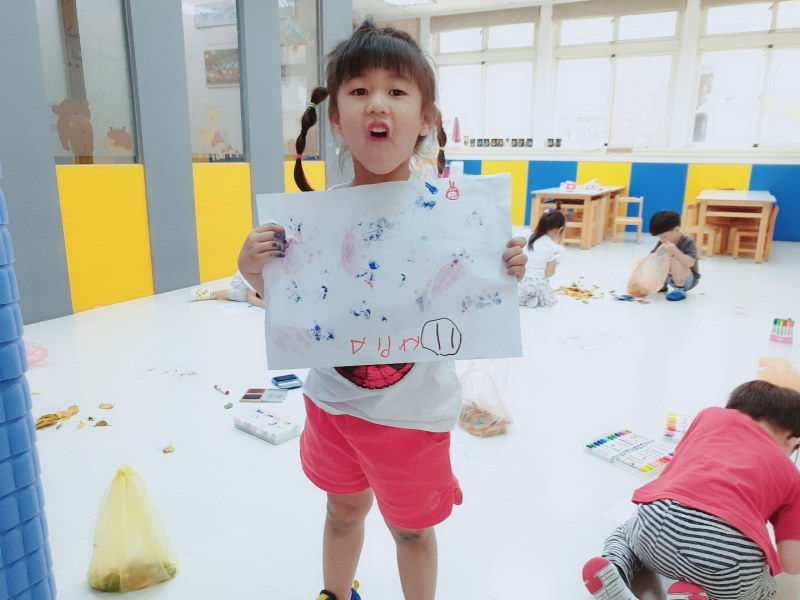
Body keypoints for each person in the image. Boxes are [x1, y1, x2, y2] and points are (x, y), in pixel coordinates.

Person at [237, 20, 527, 600]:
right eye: (359, 89)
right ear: (335, 118)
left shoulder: (457, 221)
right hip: (333, 406)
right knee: (342, 512)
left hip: (413, 418)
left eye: (397, 90)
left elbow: (476, 302)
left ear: (426, 119)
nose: (378, 103)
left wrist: (507, 269)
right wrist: (252, 268)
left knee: (412, 531)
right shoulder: (312, 224)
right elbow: (287, 310)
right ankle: (335, 592)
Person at [582, 380, 800, 600]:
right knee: (765, 590)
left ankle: (616, 566)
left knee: (626, 534)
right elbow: (792, 565)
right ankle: (694, 595)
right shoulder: (792, 475)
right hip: (725, 557)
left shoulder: (709, 416)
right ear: (793, 440)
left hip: (655, 526)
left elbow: (679, 465)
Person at [648, 210, 700, 302]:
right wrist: (659, 252)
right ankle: (662, 285)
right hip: (670, 278)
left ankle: (679, 289)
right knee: (659, 258)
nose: (662, 240)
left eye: (664, 237)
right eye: (659, 237)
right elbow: (651, 259)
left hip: (686, 279)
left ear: (676, 230)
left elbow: (691, 263)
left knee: (675, 260)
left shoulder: (688, 242)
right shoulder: (662, 242)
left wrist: (675, 251)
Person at [518, 208, 565, 308]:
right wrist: (556, 263)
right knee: (544, 289)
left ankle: (520, 298)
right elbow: (549, 273)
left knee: (518, 289)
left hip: (519, 281)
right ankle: (532, 298)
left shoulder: (525, 234)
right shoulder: (554, 248)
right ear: (559, 230)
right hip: (535, 285)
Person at [189, 272, 264, 308]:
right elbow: (251, 298)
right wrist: (263, 304)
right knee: (244, 296)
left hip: (260, 285)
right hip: (240, 281)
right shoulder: (256, 275)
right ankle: (213, 294)